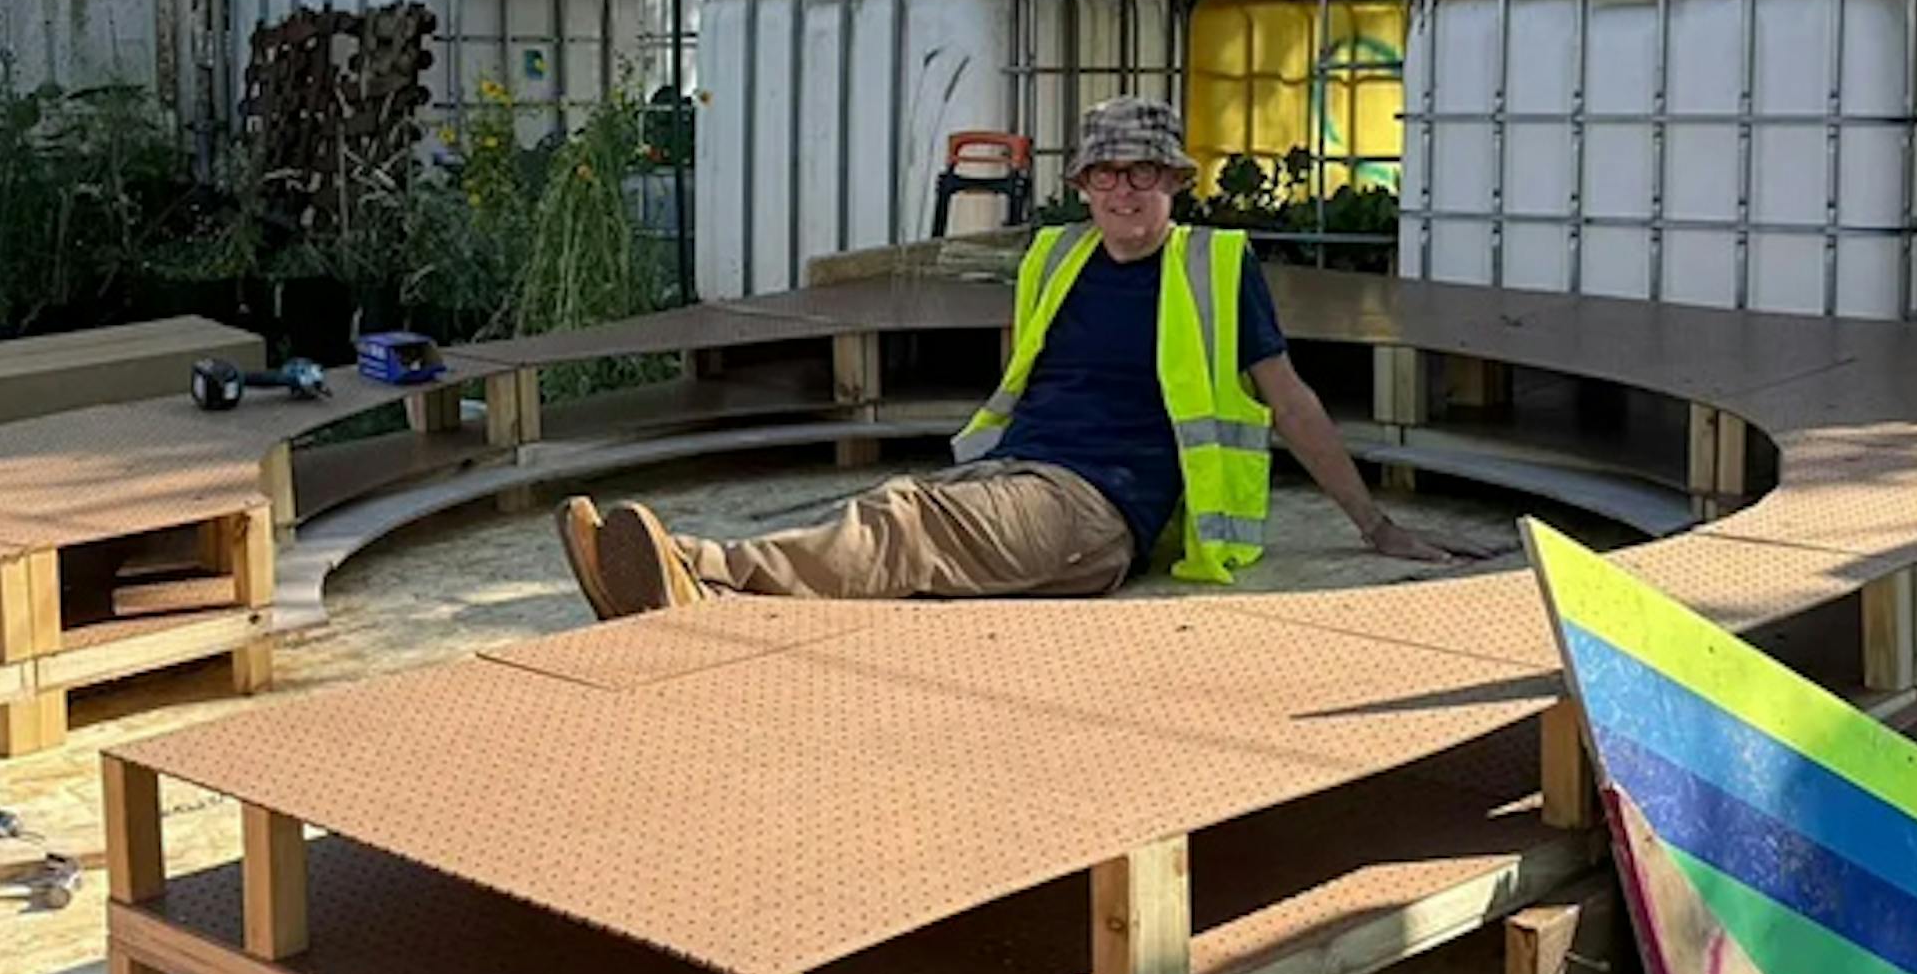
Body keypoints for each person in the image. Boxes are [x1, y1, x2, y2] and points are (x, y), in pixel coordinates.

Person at [558, 96, 1472, 618]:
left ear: (1174, 185)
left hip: (1099, 507)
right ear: (1083, 186)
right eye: (1107, 175)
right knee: (892, 532)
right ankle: (707, 599)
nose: (1125, 192)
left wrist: (1375, 527)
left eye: (1145, 174)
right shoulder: (1056, 254)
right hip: (1018, 471)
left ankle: (697, 567)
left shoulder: (1214, 267)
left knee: (905, 524)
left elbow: (1293, 402)